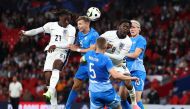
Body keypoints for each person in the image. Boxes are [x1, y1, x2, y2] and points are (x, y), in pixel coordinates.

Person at [19, 9, 76, 109]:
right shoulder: (51, 25)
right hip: (50, 52)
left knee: (57, 65)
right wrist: (25, 33)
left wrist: (56, 44)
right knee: (48, 78)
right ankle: (54, 106)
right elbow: (37, 30)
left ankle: (49, 91)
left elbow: (69, 45)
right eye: (66, 18)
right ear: (60, 17)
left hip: (62, 52)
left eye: (69, 18)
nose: (68, 20)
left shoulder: (71, 28)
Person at [81, 37, 139, 109]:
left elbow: (82, 60)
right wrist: (131, 78)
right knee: (118, 107)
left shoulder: (89, 54)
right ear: (105, 47)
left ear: (96, 45)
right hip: (106, 91)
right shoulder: (106, 59)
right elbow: (116, 75)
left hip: (93, 92)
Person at [100, 19, 140, 109]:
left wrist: (103, 52)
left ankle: (134, 104)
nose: (125, 29)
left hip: (119, 63)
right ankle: (104, 104)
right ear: (119, 26)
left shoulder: (128, 42)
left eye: (128, 28)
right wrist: (104, 45)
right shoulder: (108, 34)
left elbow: (120, 57)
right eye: (124, 26)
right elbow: (98, 42)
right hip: (106, 63)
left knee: (128, 81)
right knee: (104, 84)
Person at [65, 16, 99, 109]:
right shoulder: (79, 33)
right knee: (75, 85)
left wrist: (77, 49)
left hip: (94, 62)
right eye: (77, 24)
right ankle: (67, 107)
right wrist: (71, 46)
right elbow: (77, 45)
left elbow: (92, 50)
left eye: (80, 24)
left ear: (87, 23)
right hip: (84, 63)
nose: (78, 26)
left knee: (96, 88)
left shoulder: (94, 35)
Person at [125, 20, 147, 109]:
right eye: (130, 27)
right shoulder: (127, 40)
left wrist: (123, 54)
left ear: (139, 29)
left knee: (137, 100)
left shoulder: (141, 39)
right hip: (127, 72)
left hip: (137, 71)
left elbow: (135, 55)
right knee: (122, 97)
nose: (131, 29)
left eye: (134, 27)